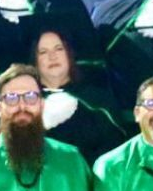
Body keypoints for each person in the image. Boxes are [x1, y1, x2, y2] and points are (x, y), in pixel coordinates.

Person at [27, 27, 126, 166]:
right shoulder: (25, 103)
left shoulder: (97, 101)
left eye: (59, 49)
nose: (52, 56)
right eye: (43, 52)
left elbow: (113, 156)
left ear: (69, 54)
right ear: (34, 60)